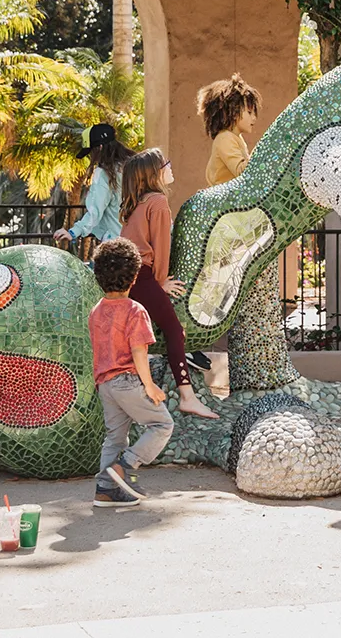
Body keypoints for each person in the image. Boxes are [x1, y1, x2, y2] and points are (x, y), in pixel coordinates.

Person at [117, 149, 217, 418]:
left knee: (137, 338)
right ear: (155, 173)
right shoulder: (158, 201)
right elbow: (162, 248)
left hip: (129, 274)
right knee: (175, 331)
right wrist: (160, 282)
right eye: (166, 164)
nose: (171, 167)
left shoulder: (137, 203)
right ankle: (187, 396)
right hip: (144, 274)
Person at [88, 237, 175, 505]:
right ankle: (125, 466)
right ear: (134, 277)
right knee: (162, 424)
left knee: (115, 436)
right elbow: (138, 351)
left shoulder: (96, 311)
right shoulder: (135, 310)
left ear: (98, 275)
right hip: (127, 381)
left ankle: (105, 490)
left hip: (105, 384)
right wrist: (149, 386)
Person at [53, 124, 130, 255]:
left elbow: (95, 211)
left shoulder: (104, 173)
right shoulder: (132, 167)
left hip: (117, 246)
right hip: (139, 244)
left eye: (91, 153)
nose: (91, 159)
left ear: (99, 148)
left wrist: (73, 232)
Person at [198, 75, 262, 186]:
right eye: (249, 112)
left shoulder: (236, 138)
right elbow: (241, 171)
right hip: (222, 200)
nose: (254, 118)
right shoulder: (225, 138)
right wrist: (262, 150)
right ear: (234, 112)